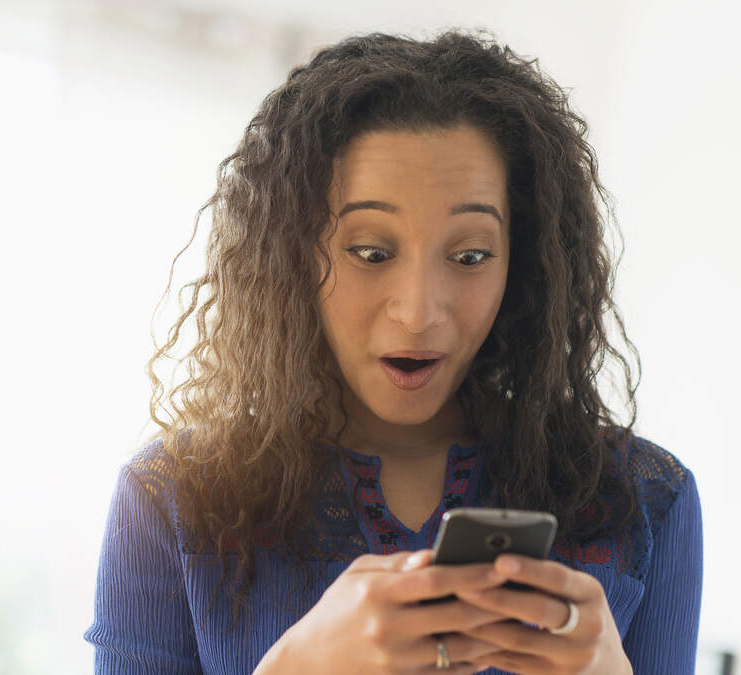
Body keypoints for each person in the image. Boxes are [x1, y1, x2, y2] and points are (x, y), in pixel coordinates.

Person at [83, 28, 702, 675]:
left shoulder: (645, 502)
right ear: (292, 255)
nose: (418, 311)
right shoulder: (171, 499)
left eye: (470, 256)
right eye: (372, 253)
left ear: (523, 265)